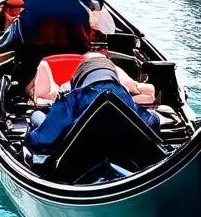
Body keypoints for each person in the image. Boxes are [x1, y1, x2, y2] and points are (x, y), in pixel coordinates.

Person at [25, 55, 161, 154]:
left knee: (37, 115)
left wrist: (33, 121)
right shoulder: (125, 98)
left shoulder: (74, 98)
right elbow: (152, 121)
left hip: (79, 155)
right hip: (119, 148)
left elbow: (43, 138)